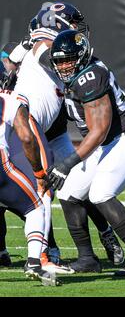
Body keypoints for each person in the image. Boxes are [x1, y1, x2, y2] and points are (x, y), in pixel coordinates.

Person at [7, 2, 125, 270]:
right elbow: (33, 54)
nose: (77, 30)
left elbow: (17, 57)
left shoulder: (40, 43)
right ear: (57, 23)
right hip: (32, 122)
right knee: (43, 189)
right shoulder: (43, 43)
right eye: (72, 23)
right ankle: (47, 254)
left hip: (55, 127)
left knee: (74, 186)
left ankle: (105, 233)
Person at [48, 30, 125, 276]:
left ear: (82, 55)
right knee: (69, 193)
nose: (64, 66)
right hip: (106, 142)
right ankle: (87, 258)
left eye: (68, 59)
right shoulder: (75, 76)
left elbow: (99, 130)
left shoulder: (89, 76)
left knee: (100, 193)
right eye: (59, 61)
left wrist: (67, 163)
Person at [0, 60, 58, 285]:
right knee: (35, 207)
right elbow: (26, 137)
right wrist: (39, 173)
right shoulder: (9, 100)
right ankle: (35, 262)